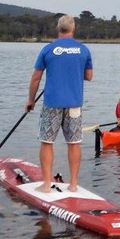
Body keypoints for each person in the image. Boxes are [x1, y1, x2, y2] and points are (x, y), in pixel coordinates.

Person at [26, 15, 93, 193]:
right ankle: (73, 185)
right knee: (74, 143)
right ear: (73, 29)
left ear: (57, 28)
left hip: (52, 104)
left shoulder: (48, 49)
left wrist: (31, 100)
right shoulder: (83, 50)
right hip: (74, 104)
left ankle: (46, 185)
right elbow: (88, 76)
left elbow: (35, 78)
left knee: (47, 142)